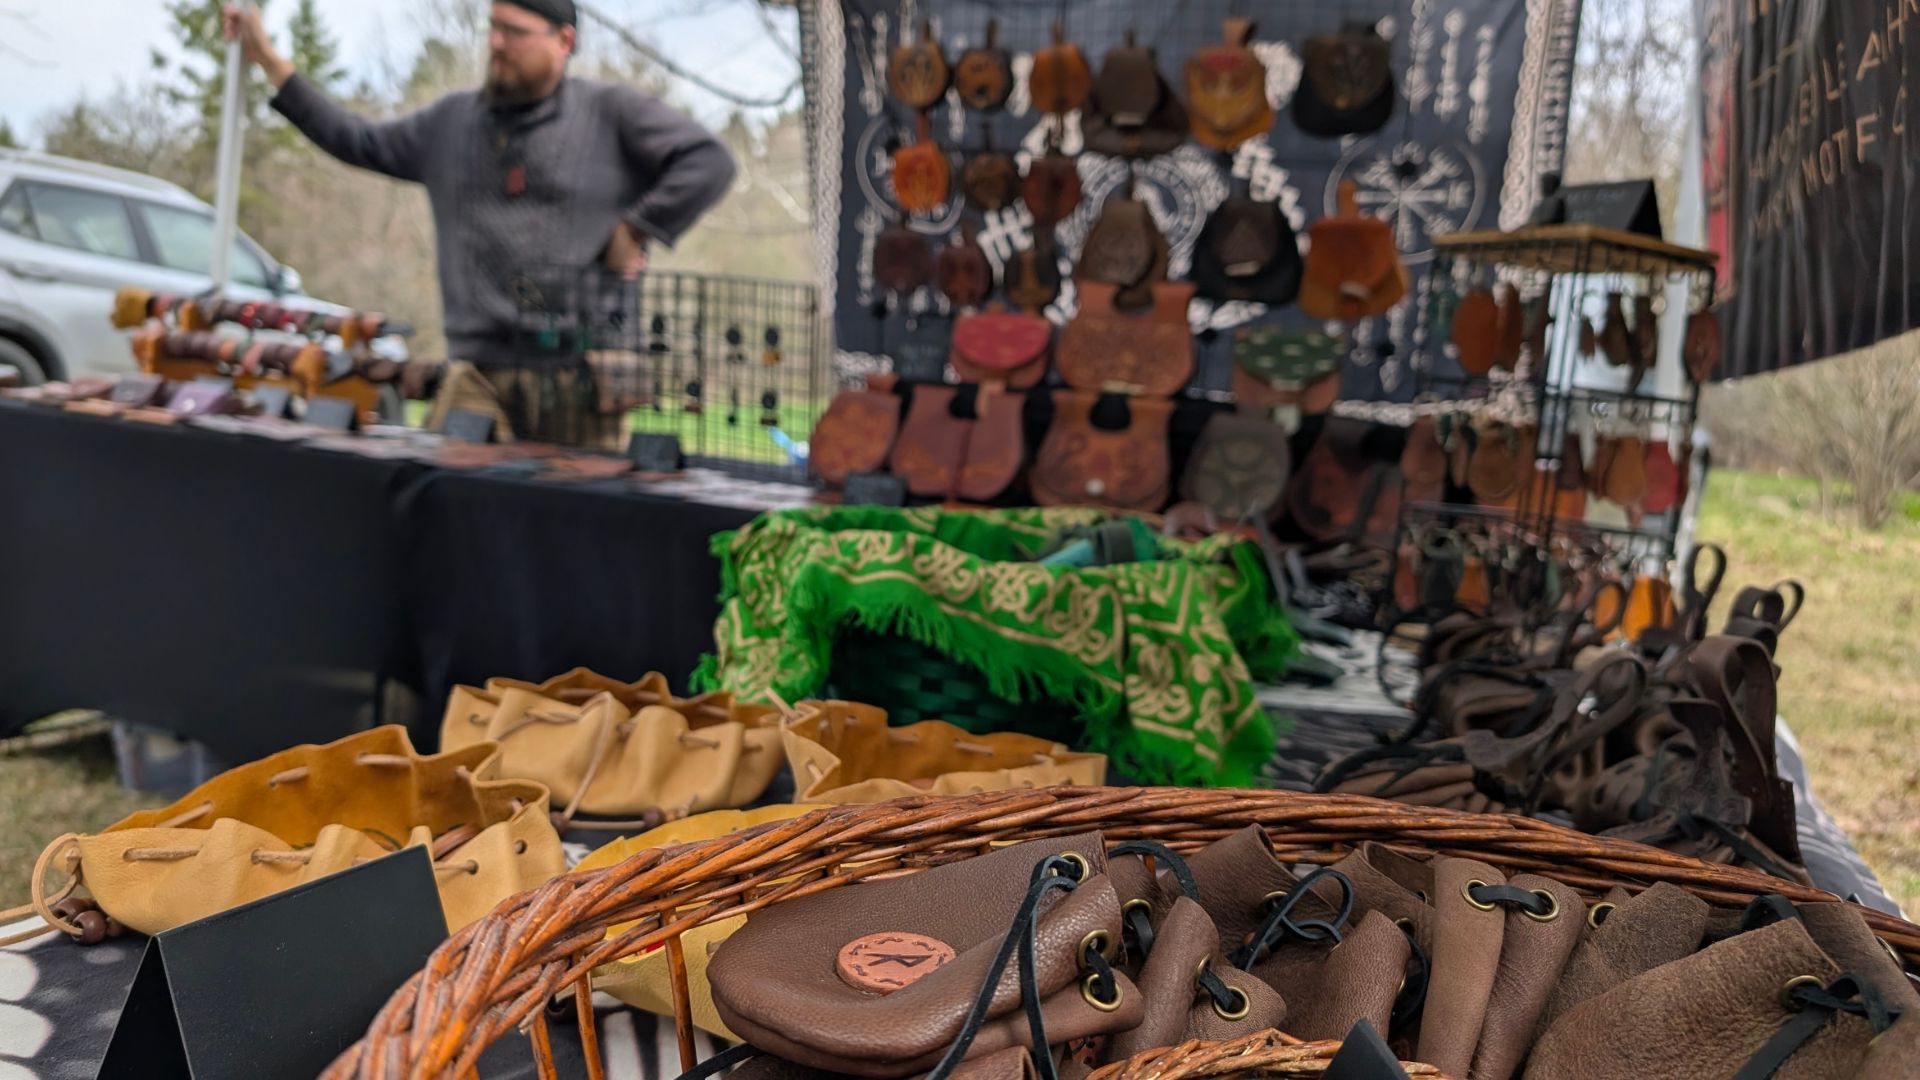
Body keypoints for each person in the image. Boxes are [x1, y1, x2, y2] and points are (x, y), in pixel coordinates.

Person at [224, 0, 738, 447]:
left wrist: (636, 228)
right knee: (456, 506)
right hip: (479, 373)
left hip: (586, 376)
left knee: (575, 520)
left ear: (564, 41)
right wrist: (271, 63)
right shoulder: (450, 123)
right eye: (492, 27)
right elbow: (356, 139)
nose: (496, 43)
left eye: (514, 32)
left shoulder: (609, 114)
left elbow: (708, 162)